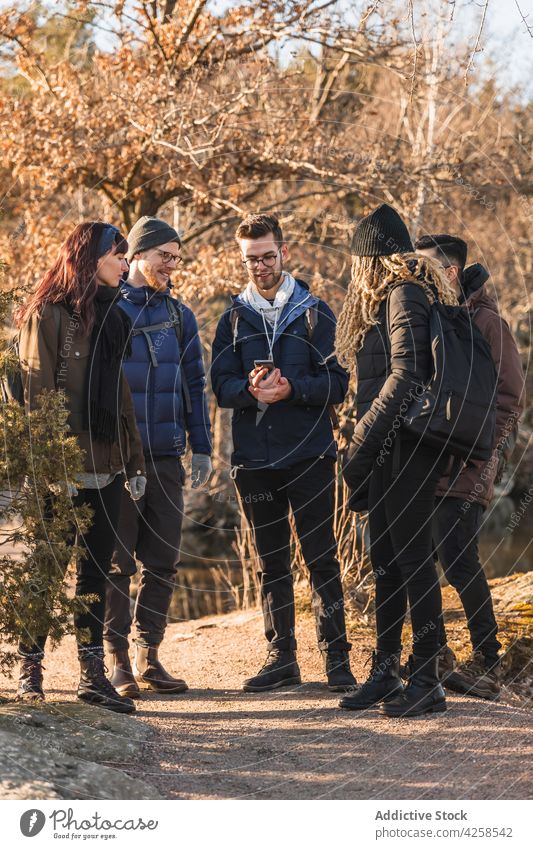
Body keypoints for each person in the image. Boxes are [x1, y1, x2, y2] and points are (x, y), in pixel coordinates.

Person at [211, 213, 355, 693]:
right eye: (251, 260)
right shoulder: (231, 319)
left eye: (267, 257)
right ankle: (282, 658)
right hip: (254, 462)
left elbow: (338, 383)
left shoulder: (317, 313)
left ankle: (337, 659)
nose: (260, 267)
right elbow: (219, 385)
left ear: (284, 253)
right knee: (270, 562)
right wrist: (251, 391)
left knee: (321, 558)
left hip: (310, 456)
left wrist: (292, 388)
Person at [16, 221, 146, 714]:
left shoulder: (113, 314)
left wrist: (133, 459)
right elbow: (35, 399)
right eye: (118, 255)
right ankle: (31, 671)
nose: (125, 264)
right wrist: (48, 466)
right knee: (45, 572)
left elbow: (121, 396)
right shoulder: (45, 316)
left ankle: (92, 676)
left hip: (107, 467)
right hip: (59, 470)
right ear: (91, 259)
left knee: (95, 572)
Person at [337, 204, 458, 718]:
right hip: (389, 448)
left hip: (409, 449)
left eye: (357, 263)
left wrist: (364, 436)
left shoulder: (405, 293)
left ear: (374, 259)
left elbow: (408, 373)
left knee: (413, 563)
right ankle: (385, 671)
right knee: (386, 561)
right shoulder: (388, 300)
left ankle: (427, 677)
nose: (354, 274)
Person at [104, 216, 212, 698]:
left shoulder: (180, 316)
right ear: (139, 255)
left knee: (164, 561)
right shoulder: (107, 311)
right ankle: (116, 661)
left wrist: (203, 448)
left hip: (167, 457)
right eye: (165, 255)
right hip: (119, 461)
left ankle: (150, 655)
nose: (173, 264)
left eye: (177, 257)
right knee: (117, 564)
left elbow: (195, 385)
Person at [415, 233, 524, 700]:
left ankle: (488, 657)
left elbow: (512, 396)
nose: (417, 276)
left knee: (459, 560)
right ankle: (436, 651)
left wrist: (484, 449)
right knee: (421, 557)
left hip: (469, 463)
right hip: (428, 461)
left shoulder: (487, 321)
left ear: (451, 271)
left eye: (425, 268)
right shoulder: (436, 316)